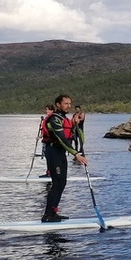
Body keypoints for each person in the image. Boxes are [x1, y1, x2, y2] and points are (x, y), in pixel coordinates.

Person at [42, 94, 88, 222]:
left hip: (61, 153)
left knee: (62, 182)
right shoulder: (54, 119)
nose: (69, 106)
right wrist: (76, 154)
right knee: (57, 183)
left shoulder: (64, 118)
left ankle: (54, 212)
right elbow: (61, 139)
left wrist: (74, 125)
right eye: (66, 103)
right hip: (54, 152)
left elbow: (70, 135)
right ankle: (47, 215)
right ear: (58, 104)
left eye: (69, 104)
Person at [38, 104, 55, 177]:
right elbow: (45, 131)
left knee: (50, 157)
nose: (46, 111)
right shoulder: (47, 119)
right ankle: (49, 172)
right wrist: (40, 136)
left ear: (52, 110)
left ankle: (51, 173)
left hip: (50, 141)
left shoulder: (52, 119)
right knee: (47, 157)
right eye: (46, 109)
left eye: (48, 109)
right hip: (46, 140)